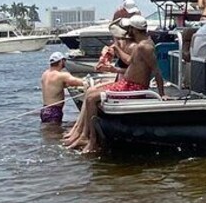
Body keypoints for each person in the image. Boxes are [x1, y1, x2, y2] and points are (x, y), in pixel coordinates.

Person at [64, 15, 166, 153]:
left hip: (133, 87)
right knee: (90, 94)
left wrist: (162, 95)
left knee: (91, 98)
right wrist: (113, 66)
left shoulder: (145, 47)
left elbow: (157, 71)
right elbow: (131, 62)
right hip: (126, 83)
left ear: (133, 29)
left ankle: (92, 141)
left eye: (129, 28)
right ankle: (83, 134)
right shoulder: (141, 45)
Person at [40, 52, 86, 124]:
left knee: (48, 131)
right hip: (54, 111)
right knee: (54, 133)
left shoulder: (45, 74)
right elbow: (79, 82)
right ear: (61, 61)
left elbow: (56, 86)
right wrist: (93, 80)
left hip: (44, 109)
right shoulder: (61, 75)